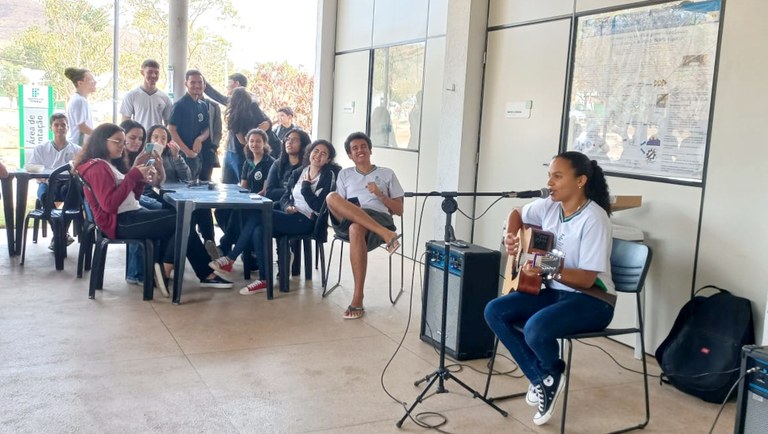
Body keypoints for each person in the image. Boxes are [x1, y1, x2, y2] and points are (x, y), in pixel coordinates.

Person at [483, 151, 615, 426]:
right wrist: (511, 237)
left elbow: (587, 279)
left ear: (580, 181)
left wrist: (544, 263)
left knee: (536, 328)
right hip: (556, 292)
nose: (550, 182)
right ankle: (543, 377)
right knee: (495, 310)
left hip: (592, 300)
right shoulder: (550, 206)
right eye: (549, 176)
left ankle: (549, 373)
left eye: (558, 176)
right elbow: (516, 213)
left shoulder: (595, 218)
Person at [75, 123, 232, 296]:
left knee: (182, 219)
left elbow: (130, 198)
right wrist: (133, 175)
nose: (122, 145)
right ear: (102, 142)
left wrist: (140, 181)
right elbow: (109, 205)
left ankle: (185, 272)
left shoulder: (107, 164)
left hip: (128, 215)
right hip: (119, 223)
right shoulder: (97, 167)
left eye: (122, 141)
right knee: (182, 221)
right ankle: (171, 271)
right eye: (117, 141)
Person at [210, 139, 339, 295]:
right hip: (291, 215)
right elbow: (285, 197)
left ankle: (230, 258)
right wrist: (287, 207)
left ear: (328, 160)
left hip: (307, 221)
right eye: (316, 151)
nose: (318, 155)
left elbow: (320, 206)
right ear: (310, 152)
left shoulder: (328, 176)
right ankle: (264, 279)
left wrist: (306, 188)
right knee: (258, 228)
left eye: (323, 154)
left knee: (256, 214)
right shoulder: (299, 172)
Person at [325, 132, 403, 319]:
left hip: (378, 217)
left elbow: (399, 210)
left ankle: (357, 298)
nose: (360, 150)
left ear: (370, 150)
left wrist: (381, 196)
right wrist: (352, 209)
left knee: (356, 228)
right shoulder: (344, 174)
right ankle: (386, 235)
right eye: (355, 148)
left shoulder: (387, 173)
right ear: (350, 155)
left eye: (363, 146)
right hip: (351, 216)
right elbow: (340, 203)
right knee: (331, 197)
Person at [215, 128, 275, 256]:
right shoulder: (248, 162)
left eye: (258, 141)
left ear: (265, 143)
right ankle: (241, 243)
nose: (254, 144)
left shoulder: (270, 163)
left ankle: (225, 246)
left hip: (261, 204)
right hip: (247, 202)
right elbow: (242, 188)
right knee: (220, 211)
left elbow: (265, 191)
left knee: (238, 213)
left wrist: (249, 200)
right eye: (251, 141)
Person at [27, 113, 82, 249]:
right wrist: (44, 180)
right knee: (45, 195)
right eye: (56, 125)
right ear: (51, 127)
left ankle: (60, 234)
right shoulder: (40, 149)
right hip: (47, 183)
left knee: (73, 193)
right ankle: (60, 234)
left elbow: (81, 171)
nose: (60, 128)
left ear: (68, 127)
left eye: (63, 125)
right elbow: (33, 170)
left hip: (66, 184)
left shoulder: (77, 150)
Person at [168, 69, 210, 181]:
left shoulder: (203, 105)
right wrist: (187, 151)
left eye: (200, 82)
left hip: (197, 154)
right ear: (186, 83)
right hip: (182, 155)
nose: (197, 85)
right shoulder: (180, 105)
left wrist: (199, 139)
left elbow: (207, 129)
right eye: (193, 82)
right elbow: (171, 129)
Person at [120, 59, 173, 129]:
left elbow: (168, 124)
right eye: (150, 72)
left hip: (157, 139)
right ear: (142, 72)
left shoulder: (164, 98)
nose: (153, 75)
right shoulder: (132, 95)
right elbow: (125, 123)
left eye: (156, 73)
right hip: (139, 138)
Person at [64, 67, 96, 146]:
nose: (95, 82)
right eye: (90, 79)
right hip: (78, 146)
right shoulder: (80, 100)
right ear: (80, 83)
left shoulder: (79, 99)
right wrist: (100, 134)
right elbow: (82, 127)